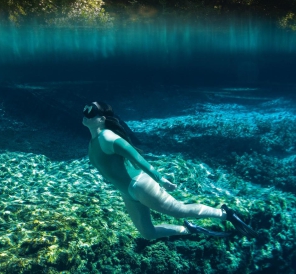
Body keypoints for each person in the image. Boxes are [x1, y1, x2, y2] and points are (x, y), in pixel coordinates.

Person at [81, 101, 255, 239]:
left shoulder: (107, 137)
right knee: (148, 234)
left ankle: (226, 214)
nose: (86, 114)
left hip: (140, 185)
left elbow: (138, 158)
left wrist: (160, 179)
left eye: (91, 112)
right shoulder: (92, 142)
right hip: (127, 192)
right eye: (85, 110)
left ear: (102, 118)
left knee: (179, 210)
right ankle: (188, 230)